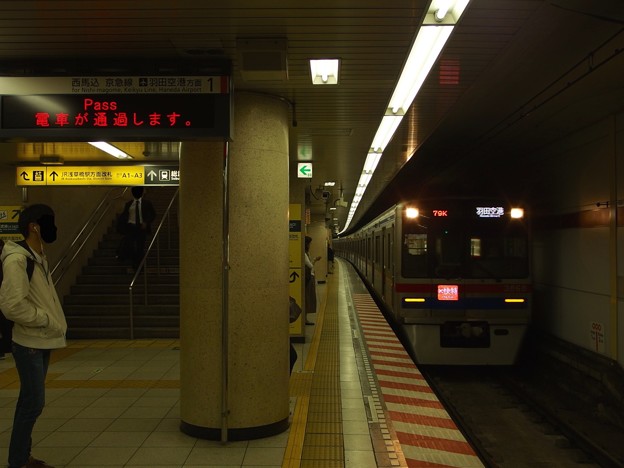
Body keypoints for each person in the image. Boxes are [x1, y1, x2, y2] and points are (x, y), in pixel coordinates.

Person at [0, 204, 67, 468]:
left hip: (40, 340)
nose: (54, 228)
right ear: (34, 226)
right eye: (49, 222)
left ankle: (20, 458)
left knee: (28, 402)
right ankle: (18, 461)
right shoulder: (18, 259)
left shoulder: (38, 257)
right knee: (33, 404)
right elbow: (12, 305)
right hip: (29, 342)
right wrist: (45, 320)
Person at [118, 186, 156, 271]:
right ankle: (135, 262)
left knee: (140, 247)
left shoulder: (147, 203)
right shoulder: (129, 204)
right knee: (131, 246)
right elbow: (124, 215)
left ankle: (139, 266)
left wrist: (146, 222)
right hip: (131, 227)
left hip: (141, 228)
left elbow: (153, 214)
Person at [304, 236, 321, 325]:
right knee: (308, 298)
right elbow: (310, 265)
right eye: (309, 243)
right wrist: (314, 260)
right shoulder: (304, 254)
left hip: (309, 277)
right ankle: (305, 319)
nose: (310, 245)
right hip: (308, 278)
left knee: (308, 299)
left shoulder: (306, 253)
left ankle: (305, 319)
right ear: (306, 244)